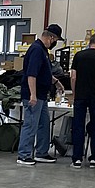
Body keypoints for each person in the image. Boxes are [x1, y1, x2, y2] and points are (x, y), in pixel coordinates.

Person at [16, 24, 65, 167]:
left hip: (42, 95)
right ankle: (24, 155)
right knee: (30, 124)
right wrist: (33, 95)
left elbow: (44, 72)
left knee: (44, 124)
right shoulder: (37, 50)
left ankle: (41, 152)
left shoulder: (43, 50)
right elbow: (32, 74)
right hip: (34, 94)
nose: (55, 43)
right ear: (51, 37)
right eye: (55, 39)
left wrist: (56, 82)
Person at [69, 33, 95, 168]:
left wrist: (75, 93)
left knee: (78, 127)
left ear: (90, 42)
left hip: (80, 96)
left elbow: (73, 77)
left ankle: (76, 159)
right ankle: (94, 158)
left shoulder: (78, 56)